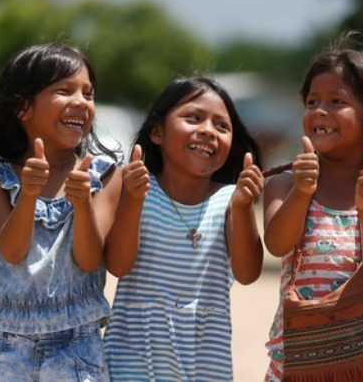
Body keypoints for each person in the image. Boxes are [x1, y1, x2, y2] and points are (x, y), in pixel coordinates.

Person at [263, 34, 363, 381]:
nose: (319, 110)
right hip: (296, 365)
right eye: (312, 101)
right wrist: (302, 192)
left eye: (336, 101)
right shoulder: (285, 184)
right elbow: (277, 243)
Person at [0, 43, 123, 381]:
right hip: (3, 349)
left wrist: (82, 203)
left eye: (88, 94)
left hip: (77, 349)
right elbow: (12, 251)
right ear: (23, 107)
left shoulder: (104, 173)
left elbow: (89, 260)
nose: (81, 102)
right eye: (65, 91)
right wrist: (28, 194)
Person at [103, 76, 265, 381]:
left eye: (222, 126)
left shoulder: (231, 200)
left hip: (205, 366)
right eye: (193, 118)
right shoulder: (136, 188)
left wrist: (244, 206)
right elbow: (118, 265)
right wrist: (133, 200)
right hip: (131, 365)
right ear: (157, 132)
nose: (208, 130)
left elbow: (247, 273)